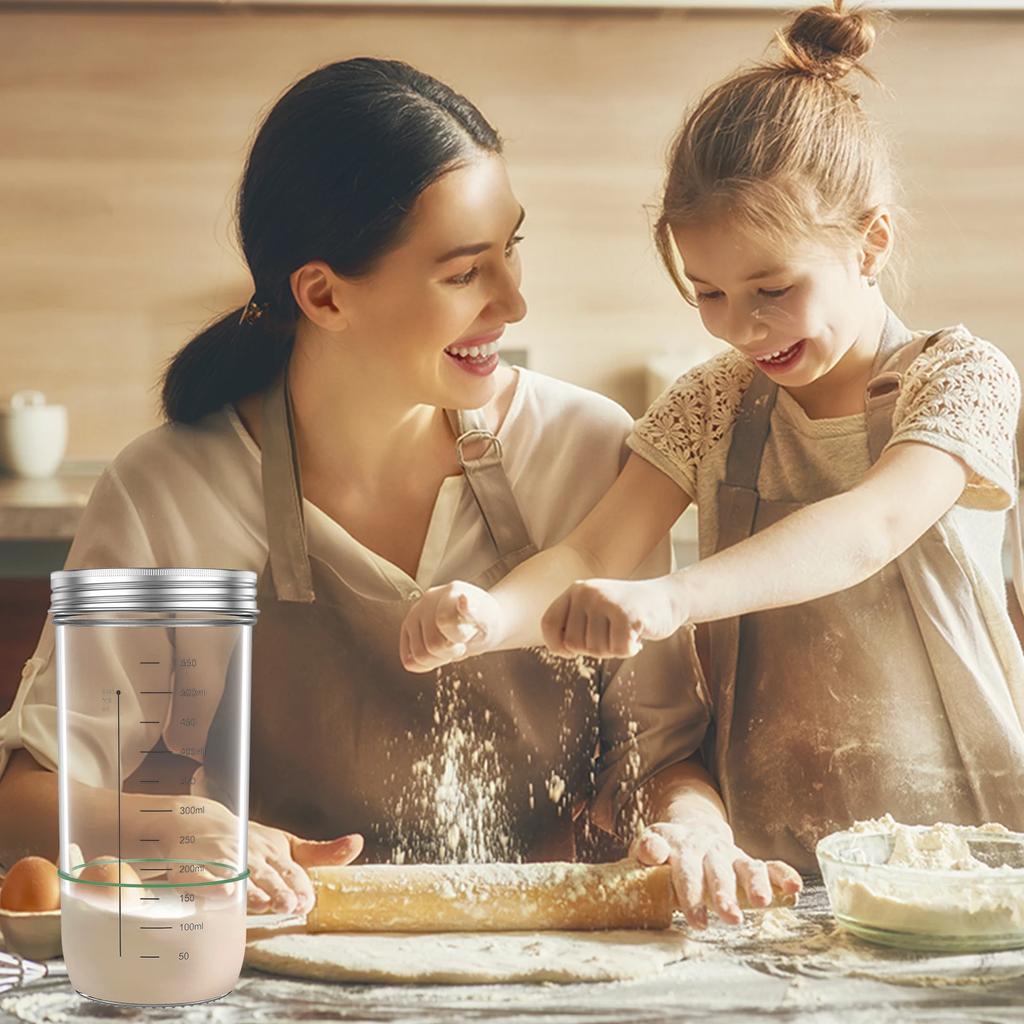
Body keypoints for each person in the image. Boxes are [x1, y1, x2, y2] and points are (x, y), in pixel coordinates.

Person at [0, 58, 799, 927]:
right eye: (464, 274)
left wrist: (694, 828)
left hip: (544, 965)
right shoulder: (172, 492)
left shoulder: (586, 451)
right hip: (271, 970)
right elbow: (25, 800)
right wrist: (170, 825)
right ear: (323, 295)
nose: (514, 302)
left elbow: (663, 759)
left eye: (511, 251)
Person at [399, 2, 1024, 873]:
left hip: (971, 847)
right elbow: (593, 548)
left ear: (871, 243)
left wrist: (677, 598)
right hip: (773, 851)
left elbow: (870, 530)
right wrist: (487, 615)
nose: (743, 328)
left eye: (772, 288)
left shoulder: (959, 379)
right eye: (710, 293)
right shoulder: (715, 405)